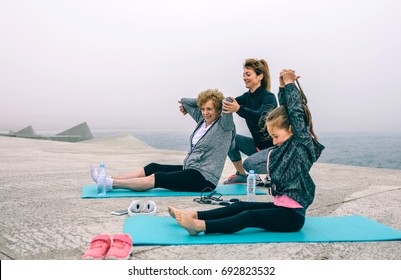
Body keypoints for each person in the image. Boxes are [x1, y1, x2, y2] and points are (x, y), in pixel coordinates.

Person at [168, 69, 324, 236]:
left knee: (249, 216)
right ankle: (196, 215)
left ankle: (200, 226)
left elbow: (295, 114)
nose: (273, 142)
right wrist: (282, 87)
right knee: (239, 206)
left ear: (293, 130)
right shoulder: (289, 143)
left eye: (276, 136)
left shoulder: (301, 144)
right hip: (281, 207)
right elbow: (286, 111)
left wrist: (290, 84)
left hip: (292, 216)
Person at [90, 89, 235, 192]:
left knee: (158, 178)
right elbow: (184, 101)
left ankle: (111, 184)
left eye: (209, 109)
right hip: (191, 170)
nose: (205, 112)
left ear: (218, 109)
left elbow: (227, 101)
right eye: (202, 108)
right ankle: (109, 178)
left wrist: (217, 100)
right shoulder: (202, 120)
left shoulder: (224, 125)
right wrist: (203, 100)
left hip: (205, 179)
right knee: (153, 167)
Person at [222, 58, 277, 184]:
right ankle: (242, 175)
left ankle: (273, 173)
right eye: (244, 75)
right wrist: (195, 106)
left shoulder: (269, 97)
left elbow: (261, 117)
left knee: (250, 164)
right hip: (257, 148)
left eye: (248, 74)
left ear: (260, 76)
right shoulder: (246, 97)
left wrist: (238, 109)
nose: (245, 78)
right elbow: (225, 104)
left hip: (273, 151)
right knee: (230, 138)